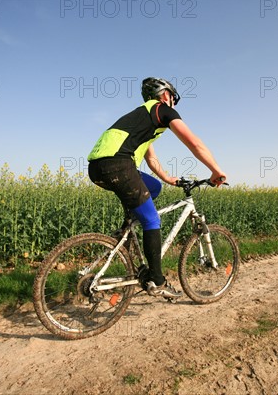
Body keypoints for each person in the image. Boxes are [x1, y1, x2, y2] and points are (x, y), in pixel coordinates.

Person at [87, 77, 226, 299]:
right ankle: (157, 280)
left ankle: (128, 227)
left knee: (153, 186)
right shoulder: (163, 110)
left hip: (98, 168)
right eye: (172, 97)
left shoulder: (139, 117)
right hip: (119, 166)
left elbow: (151, 159)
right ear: (165, 95)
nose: (173, 102)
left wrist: (168, 178)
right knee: (152, 220)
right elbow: (194, 143)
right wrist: (216, 170)